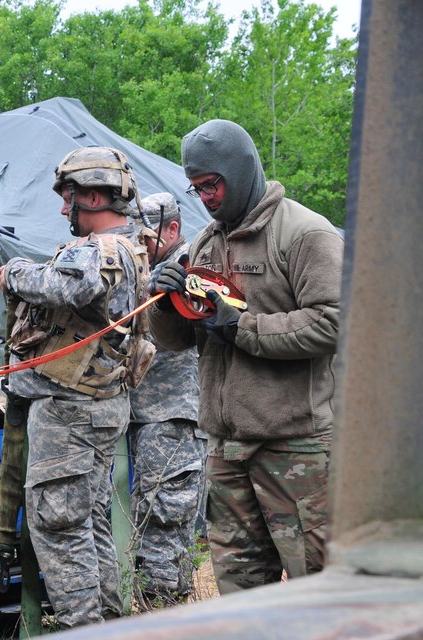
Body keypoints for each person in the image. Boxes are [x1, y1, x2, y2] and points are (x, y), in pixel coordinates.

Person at [147, 119, 342, 594]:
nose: (206, 197)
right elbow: (177, 340)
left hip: (295, 449)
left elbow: (335, 321)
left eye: (212, 184)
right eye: (196, 189)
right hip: (227, 450)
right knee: (239, 595)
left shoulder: (303, 234)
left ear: (240, 171)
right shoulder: (203, 244)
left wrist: (241, 327)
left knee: (318, 590)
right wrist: (163, 301)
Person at [0, 146, 150, 628]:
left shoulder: (101, 252)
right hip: (98, 406)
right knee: (89, 521)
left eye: (69, 198)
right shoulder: (132, 247)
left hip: (71, 409)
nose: (64, 209)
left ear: (94, 195)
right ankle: (107, 628)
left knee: (58, 526)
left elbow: (73, 287)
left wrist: (15, 273)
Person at [126, 192, 206, 605]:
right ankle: (151, 607)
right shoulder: (146, 266)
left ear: (172, 230)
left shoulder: (191, 263)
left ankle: (164, 610)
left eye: (146, 236)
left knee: (164, 514)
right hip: (140, 414)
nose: (138, 244)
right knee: (143, 514)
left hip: (171, 415)